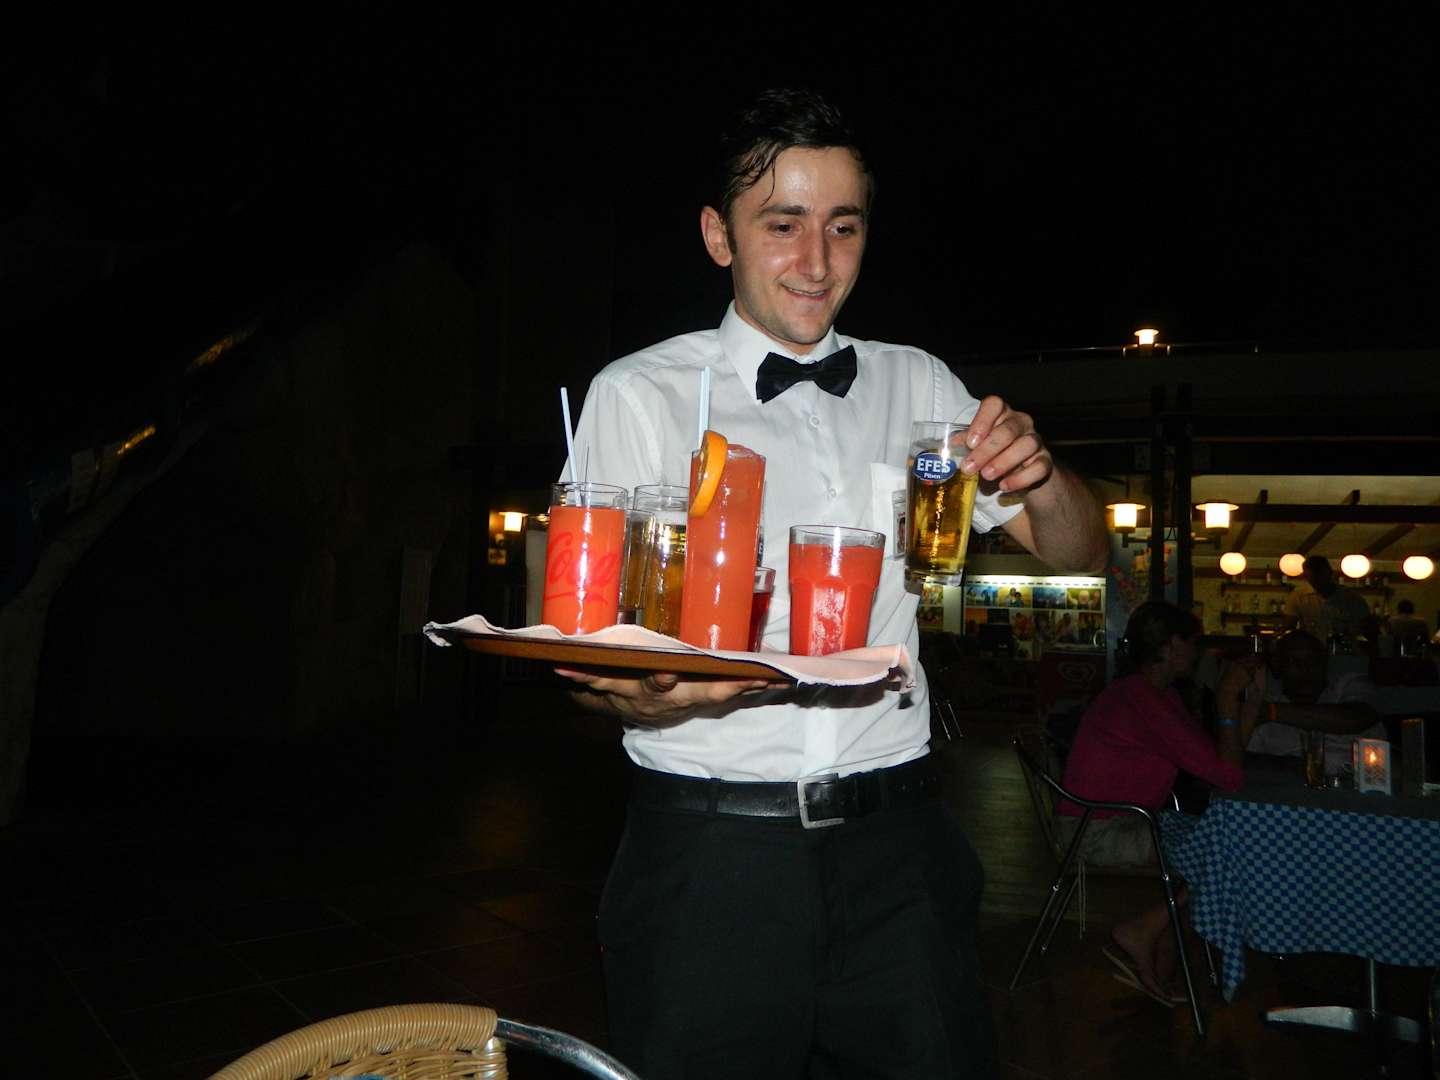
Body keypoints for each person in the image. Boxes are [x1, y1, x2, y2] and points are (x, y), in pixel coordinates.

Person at [559, 88, 1108, 1079]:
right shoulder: (637, 394)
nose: (817, 261)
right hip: (709, 856)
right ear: (719, 236)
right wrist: (631, 691)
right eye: (783, 224)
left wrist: (1039, 474)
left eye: (842, 226)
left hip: (900, 846)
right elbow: (590, 645)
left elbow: (1081, 555)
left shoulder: (921, 383)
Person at [1055, 602, 1247, 1005]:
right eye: (1194, 644)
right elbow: (1228, 775)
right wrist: (1229, 702)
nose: (1198, 654)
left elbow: (1219, 764)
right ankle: (1146, 935)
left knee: (1229, 845)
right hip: (1097, 832)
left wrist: (1243, 707)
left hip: (1118, 823)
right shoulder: (1145, 702)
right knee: (1232, 851)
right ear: (1172, 645)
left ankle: (1156, 945)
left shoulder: (1150, 695)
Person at [1242, 628, 1385, 768]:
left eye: (1313, 660)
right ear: (1277, 666)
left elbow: (1357, 717)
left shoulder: (1349, 685)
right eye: (1295, 662)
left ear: (1325, 662)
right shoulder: (1264, 711)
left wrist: (1272, 712)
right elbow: (1245, 761)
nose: (1306, 668)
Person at [1283, 555, 1372, 646]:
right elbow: (1288, 628)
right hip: (1312, 650)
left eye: (1320, 578)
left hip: (1342, 650)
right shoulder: (1298, 596)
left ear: (1329, 574)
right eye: (1313, 580)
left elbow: (1369, 628)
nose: (1318, 583)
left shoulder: (1351, 598)